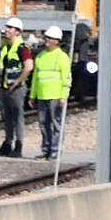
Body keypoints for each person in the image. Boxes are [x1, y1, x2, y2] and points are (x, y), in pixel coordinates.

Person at [0, 17, 33, 158]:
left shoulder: (22, 48)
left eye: (10, 28)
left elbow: (28, 66)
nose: (6, 30)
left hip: (16, 89)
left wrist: (18, 82)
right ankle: (8, 143)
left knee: (17, 117)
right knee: (7, 117)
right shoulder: (6, 47)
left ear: (18, 32)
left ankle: (18, 145)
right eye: (6, 27)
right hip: (5, 88)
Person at [30, 25, 72, 160]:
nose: (47, 40)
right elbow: (36, 78)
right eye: (46, 37)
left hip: (56, 96)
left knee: (56, 124)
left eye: (50, 38)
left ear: (57, 41)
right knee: (43, 124)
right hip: (42, 95)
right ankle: (46, 149)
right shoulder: (41, 56)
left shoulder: (62, 57)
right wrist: (32, 95)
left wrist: (63, 96)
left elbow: (66, 78)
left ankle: (55, 150)